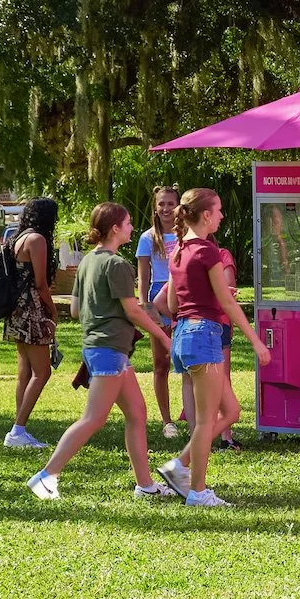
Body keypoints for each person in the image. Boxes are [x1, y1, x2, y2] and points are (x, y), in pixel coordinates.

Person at [27, 203, 177, 501]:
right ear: (115, 229)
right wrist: (163, 335)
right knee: (93, 419)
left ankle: (145, 486)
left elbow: (73, 310)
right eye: (129, 222)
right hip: (108, 351)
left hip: (104, 349)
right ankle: (45, 477)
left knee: (137, 413)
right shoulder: (117, 265)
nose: (133, 227)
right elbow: (132, 310)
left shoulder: (87, 262)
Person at [156, 188, 269, 508]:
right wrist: (256, 340)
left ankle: (180, 465)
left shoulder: (178, 250)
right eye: (218, 210)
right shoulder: (207, 252)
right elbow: (228, 304)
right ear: (205, 215)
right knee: (207, 421)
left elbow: (171, 303)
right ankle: (197, 491)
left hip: (183, 336)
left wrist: (208, 293)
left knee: (231, 411)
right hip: (204, 335)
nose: (221, 215)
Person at [1, 197, 62, 449]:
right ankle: (17, 431)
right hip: (31, 309)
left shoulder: (17, 238)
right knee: (42, 371)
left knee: (25, 370)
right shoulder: (37, 240)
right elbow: (40, 284)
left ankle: (19, 429)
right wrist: (53, 310)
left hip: (16, 310)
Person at [135, 186, 183, 437]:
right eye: (161, 204)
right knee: (160, 363)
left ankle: (194, 412)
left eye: (170, 203)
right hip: (158, 300)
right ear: (155, 207)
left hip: (185, 299)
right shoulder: (147, 238)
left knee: (191, 361)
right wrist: (145, 305)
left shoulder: (188, 233)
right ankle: (167, 421)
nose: (166, 209)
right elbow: (142, 278)